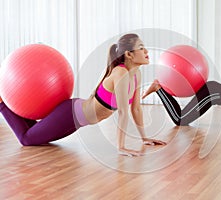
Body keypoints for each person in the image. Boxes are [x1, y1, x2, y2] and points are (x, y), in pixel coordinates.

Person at [0, 33, 166, 157]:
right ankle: (2, 103)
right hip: (69, 114)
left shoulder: (136, 74)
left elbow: (136, 109)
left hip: (76, 121)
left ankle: (9, 106)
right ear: (129, 54)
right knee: (26, 140)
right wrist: (121, 147)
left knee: (35, 135)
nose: (146, 51)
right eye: (141, 47)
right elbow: (123, 111)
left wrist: (144, 138)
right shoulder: (120, 73)